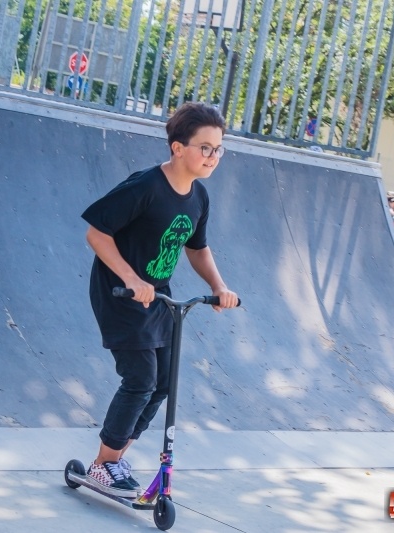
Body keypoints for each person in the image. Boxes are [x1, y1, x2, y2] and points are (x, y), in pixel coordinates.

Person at [80, 102, 238, 497]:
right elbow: (97, 233)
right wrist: (132, 278)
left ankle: (114, 459)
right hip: (121, 292)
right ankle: (104, 464)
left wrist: (219, 287)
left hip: (158, 297)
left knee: (163, 383)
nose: (213, 157)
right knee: (140, 379)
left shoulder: (198, 197)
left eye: (218, 149)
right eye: (205, 148)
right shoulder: (146, 186)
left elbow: (197, 248)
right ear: (177, 148)